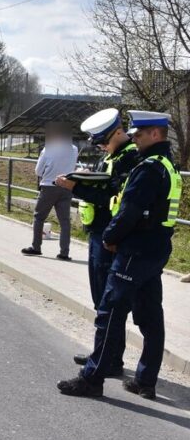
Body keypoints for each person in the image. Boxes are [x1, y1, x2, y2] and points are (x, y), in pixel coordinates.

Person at [58, 111, 182, 399]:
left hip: (135, 250)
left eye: (139, 134)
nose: (133, 139)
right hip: (156, 249)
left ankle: (92, 378)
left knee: (110, 313)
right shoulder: (168, 165)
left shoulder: (149, 168)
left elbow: (129, 211)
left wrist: (111, 238)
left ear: (155, 134)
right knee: (151, 317)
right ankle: (145, 380)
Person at [54, 109, 140, 374]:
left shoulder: (129, 159)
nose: (101, 147)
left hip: (110, 237)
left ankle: (111, 361)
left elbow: (113, 197)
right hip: (97, 234)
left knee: (109, 304)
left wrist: (75, 188)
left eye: (103, 141)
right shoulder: (113, 155)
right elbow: (103, 186)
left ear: (116, 132)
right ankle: (103, 354)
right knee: (100, 300)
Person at [22, 125, 78, 260]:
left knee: (39, 217)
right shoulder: (74, 149)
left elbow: (37, 171)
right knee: (65, 221)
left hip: (49, 186)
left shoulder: (48, 149)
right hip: (66, 186)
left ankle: (36, 247)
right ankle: (64, 252)